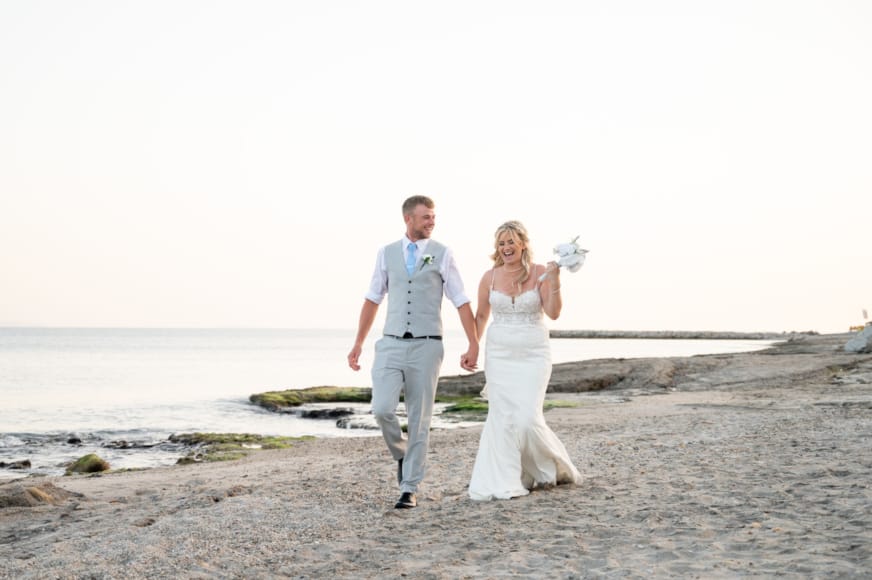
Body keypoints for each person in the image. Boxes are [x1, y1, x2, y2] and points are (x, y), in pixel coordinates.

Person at [348, 195, 479, 509]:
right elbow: (372, 299)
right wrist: (358, 343)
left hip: (427, 345)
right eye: (426, 217)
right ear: (409, 218)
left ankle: (409, 487)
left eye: (433, 217)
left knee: (420, 419)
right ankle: (402, 453)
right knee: (381, 408)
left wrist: (473, 343)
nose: (431, 222)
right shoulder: (386, 253)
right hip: (390, 343)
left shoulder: (443, 254)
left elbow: (460, 300)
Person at [468, 220, 580, 501]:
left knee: (528, 418)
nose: (506, 248)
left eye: (510, 242)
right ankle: (507, 477)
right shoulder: (489, 277)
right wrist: (472, 346)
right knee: (504, 419)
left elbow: (553, 313)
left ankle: (550, 467)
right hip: (499, 355)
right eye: (501, 243)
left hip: (533, 354)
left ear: (523, 244)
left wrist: (555, 282)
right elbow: (481, 316)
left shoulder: (542, 273)